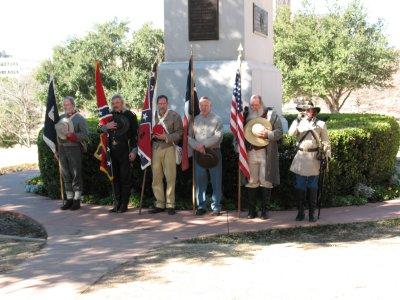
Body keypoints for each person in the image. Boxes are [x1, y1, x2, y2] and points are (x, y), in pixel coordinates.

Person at [288, 101, 331, 222]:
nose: (307, 112)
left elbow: (326, 142)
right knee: (299, 187)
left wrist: (327, 158)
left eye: (309, 110)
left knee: (313, 187)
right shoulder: (298, 122)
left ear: (314, 111)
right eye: (305, 110)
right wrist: (297, 120)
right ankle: (301, 212)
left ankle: (312, 213)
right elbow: (291, 133)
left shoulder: (321, 124)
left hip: (314, 158)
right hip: (301, 157)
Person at [243, 95, 283, 219]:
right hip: (250, 153)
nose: (254, 107)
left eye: (256, 105)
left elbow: (280, 132)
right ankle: (252, 210)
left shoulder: (271, 114)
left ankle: (265, 210)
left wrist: (268, 134)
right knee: (251, 181)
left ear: (261, 104)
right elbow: (239, 133)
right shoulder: (245, 115)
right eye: (252, 105)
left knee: (265, 181)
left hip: (266, 153)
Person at [101, 94, 138, 213]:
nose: (116, 104)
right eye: (114, 103)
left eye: (118, 102)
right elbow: (99, 129)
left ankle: (124, 204)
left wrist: (134, 151)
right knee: (115, 178)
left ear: (122, 102)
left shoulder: (130, 115)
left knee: (125, 178)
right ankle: (117, 203)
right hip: (111, 152)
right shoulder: (109, 116)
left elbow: (135, 135)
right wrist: (106, 126)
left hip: (125, 151)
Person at [149, 95, 183, 215]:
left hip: (168, 147)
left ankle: (170, 204)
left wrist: (166, 137)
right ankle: (159, 203)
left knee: (170, 177)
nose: (162, 105)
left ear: (167, 103)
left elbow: (180, 133)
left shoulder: (175, 116)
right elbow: (145, 130)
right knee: (156, 178)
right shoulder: (152, 116)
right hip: (155, 148)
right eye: (160, 103)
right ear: (157, 104)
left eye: (164, 103)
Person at [189, 96, 223, 216]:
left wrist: (203, 145)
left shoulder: (217, 119)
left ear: (210, 106)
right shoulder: (194, 120)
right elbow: (189, 137)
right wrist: (197, 146)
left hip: (214, 153)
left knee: (216, 180)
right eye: (201, 105)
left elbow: (218, 136)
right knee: (200, 181)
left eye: (206, 105)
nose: (204, 107)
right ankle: (201, 206)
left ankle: (216, 207)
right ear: (199, 106)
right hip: (199, 154)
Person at [57, 96, 88, 211]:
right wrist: (56, 150)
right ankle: (69, 199)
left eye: (68, 105)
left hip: (74, 148)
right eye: (64, 105)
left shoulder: (79, 118)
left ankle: (77, 200)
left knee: (76, 174)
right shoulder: (60, 118)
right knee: (66, 174)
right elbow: (58, 134)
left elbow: (85, 134)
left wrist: (73, 136)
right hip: (62, 149)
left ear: (73, 105)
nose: (66, 107)